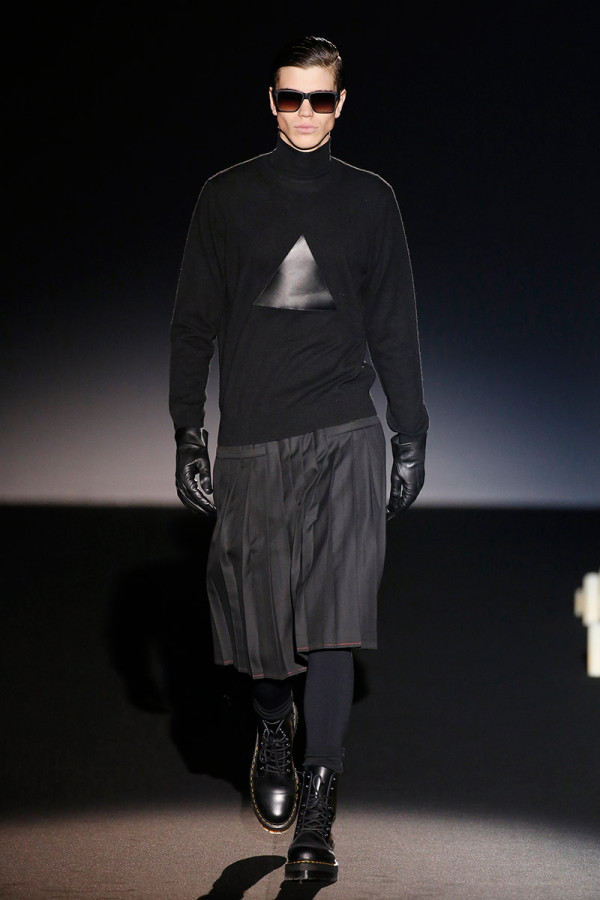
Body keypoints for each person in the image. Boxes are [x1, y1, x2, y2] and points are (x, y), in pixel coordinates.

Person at [169, 35, 428, 884]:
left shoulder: (372, 201)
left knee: (334, 624)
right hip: (253, 440)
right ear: (271, 101)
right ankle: (273, 725)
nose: (306, 113)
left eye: (321, 98)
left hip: (346, 433)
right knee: (264, 637)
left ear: (342, 103)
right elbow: (192, 323)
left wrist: (410, 434)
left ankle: (318, 811)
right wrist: (187, 431)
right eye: (292, 97)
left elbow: (395, 325)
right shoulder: (226, 197)